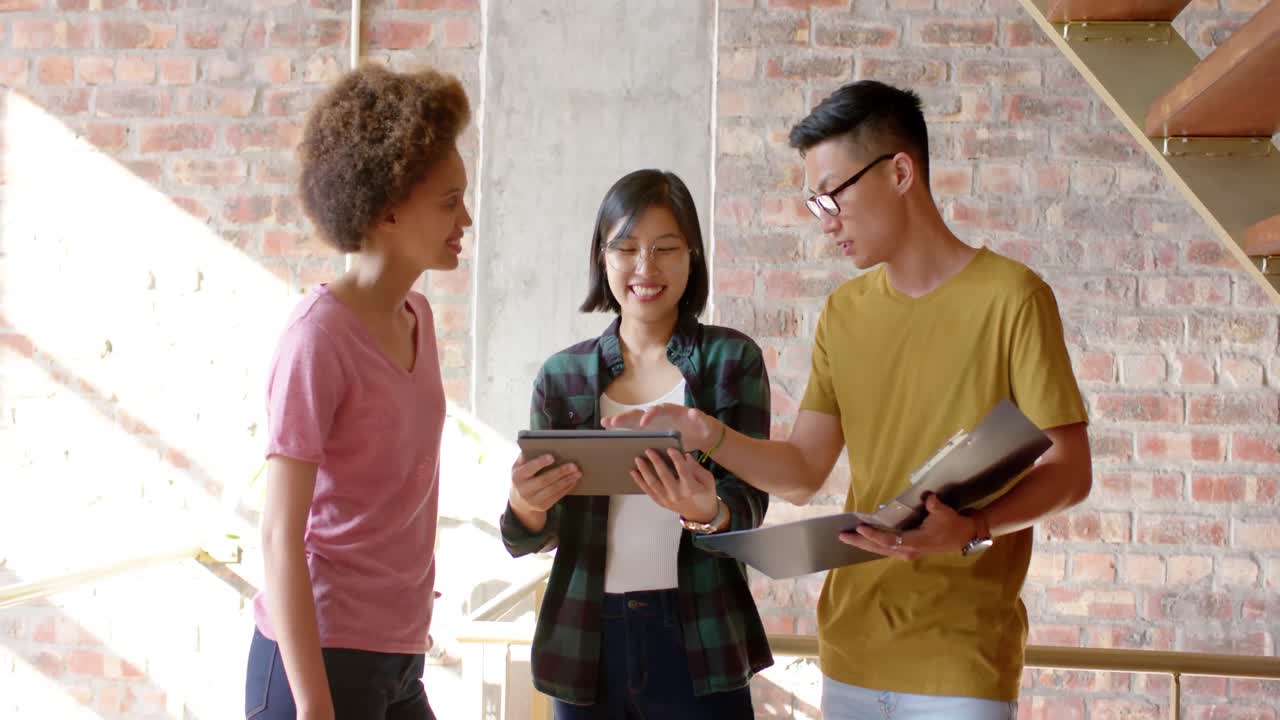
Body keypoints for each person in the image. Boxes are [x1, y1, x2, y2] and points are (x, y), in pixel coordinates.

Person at [605, 81, 1093, 719]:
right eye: (815, 202)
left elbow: (1071, 469)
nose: (826, 219)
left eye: (833, 194)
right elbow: (805, 472)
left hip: (962, 653)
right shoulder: (844, 312)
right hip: (852, 645)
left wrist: (972, 529)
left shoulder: (1014, 299)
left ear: (899, 172)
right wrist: (706, 432)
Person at [500, 169, 774, 719]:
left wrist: (707, 510)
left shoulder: (730, 361)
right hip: (586, 636)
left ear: (692, 256)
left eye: (665, 249)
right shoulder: (562, 377)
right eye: (626, 248)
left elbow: (750, 503)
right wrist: (526, 505)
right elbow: (536, 536)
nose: (645, 268)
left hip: (700, 630)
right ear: (602, 257)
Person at [244, 64, 472, 720]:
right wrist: (314, 705)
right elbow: (280, 535)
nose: (466, 217)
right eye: (449, 200)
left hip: (398, 657)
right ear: (389, 206)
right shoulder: (318, 339)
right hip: (316, 660)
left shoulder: (417, 320)